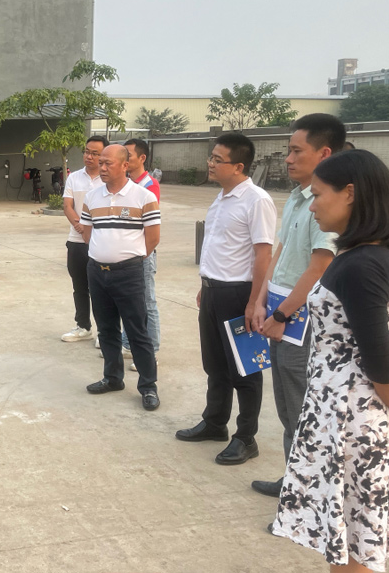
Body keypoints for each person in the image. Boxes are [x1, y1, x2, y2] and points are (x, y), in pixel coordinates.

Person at [273, 150, 389, 572]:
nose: (313, 205)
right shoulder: (358, 257)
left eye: (319, 194)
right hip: (338, 413)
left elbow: (381, 363)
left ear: (350, 193)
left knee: (358, 542)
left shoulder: (362, 266)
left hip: (354, 423)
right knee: (342, 538)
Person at [249, 114, 345, 498]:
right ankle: (293, 481)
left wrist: (281, 315)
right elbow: (281, 252)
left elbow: (319, 267)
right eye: (288, 150)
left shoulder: (327, 204)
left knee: (303, 409)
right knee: (287, 407)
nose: (288, 159)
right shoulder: (296, 196)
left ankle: (303, 497)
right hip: (278, 311)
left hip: (299, 320)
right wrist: (260, 301)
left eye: (296, 151)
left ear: (324, 153)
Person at [176, 133, 276, 464]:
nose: (210, 163)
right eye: (211, 157)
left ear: (238, 166)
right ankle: (215, 422)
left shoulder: (256, 200)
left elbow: (263, 254)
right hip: (213, 291)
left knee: (245, 369)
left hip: (239, 294)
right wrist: (205, 284)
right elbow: (218, 247)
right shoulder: (221, 198)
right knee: (215, 364)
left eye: (218, 160)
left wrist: (255, 302)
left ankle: (246, 437)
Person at [81, 144, 161, 411]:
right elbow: (87, 233)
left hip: (129, 273)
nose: (101, 167)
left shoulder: (143, 197)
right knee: (106, 329)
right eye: (100, 162)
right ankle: (113, 378)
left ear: (125, 165)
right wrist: (103, 255)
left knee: (137, 331)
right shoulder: (92, 197)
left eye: (108, 163)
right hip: (97, 272)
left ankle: (148, 386)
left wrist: (128, 259)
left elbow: (152, 238)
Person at [60, 135, 107, 344]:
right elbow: (67, 206)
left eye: (95, 153)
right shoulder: (74, 177)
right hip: (76, 241)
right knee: (79, 287)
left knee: (102, 289)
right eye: (87, 152)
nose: (89, 156)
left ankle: (105, 332)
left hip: (102, 242)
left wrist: (92, 230)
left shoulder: (108, 179)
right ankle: (83, 326)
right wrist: (80, 226)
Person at [122, 137, 161, 371]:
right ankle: (128, 344)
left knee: (147, 302)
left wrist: (144, 254)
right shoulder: (126, 183)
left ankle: (152, 351)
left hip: (143, 253)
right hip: (127, 254)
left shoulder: (149, 185)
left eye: (128, 155)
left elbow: (147, 225)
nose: (124, 159)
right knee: (128, 301)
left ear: (142, 158)